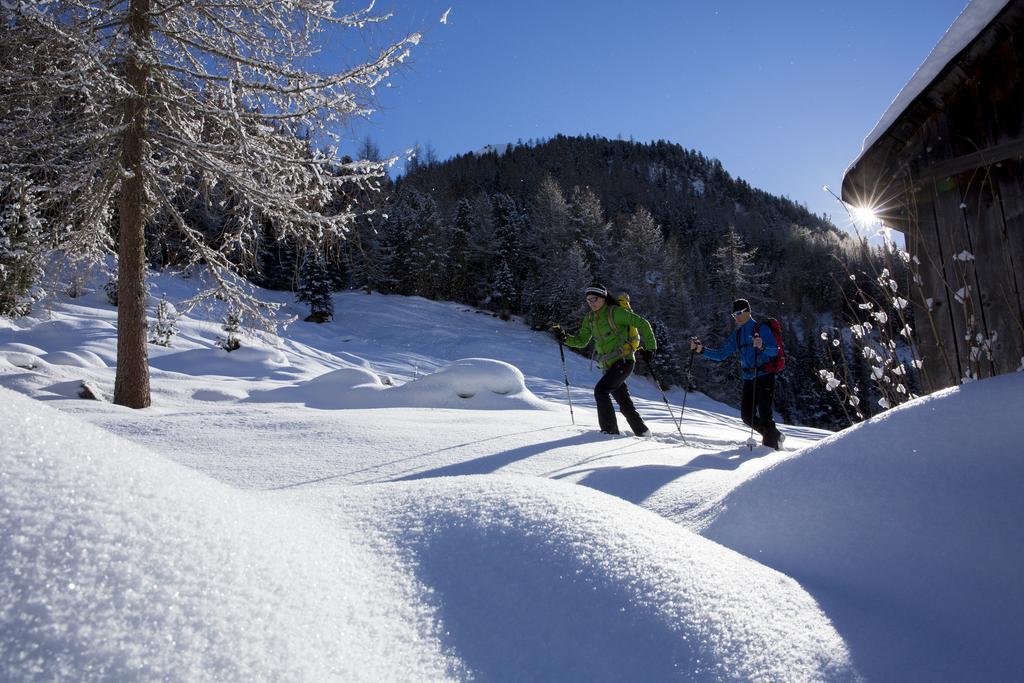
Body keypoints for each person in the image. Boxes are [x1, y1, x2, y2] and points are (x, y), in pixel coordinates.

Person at [553, 284, 657, 436]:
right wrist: (564, 338)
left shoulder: (615, 313)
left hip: (624, 361)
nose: (591, 303)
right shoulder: (590, 318)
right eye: (588, 300)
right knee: (624, 403)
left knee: (601, 391)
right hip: (608, 366)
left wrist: (651, 348)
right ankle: (643, 432)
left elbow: (643, 323)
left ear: (603, 298)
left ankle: (609, 432)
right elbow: (581, 341)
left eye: (594, 299)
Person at [689, 298, 785, 450]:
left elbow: (775, 351)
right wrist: (701, 350)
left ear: (748, 311)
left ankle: (772, 449)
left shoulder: (762, 329)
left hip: (765, 375)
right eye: (734, 315)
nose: (737, 317)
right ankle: (774, 435)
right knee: (747, 416)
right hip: (749, 378)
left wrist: (762, 346)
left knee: (765, 415)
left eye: (739, 313)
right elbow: (721, 354)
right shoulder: (738, 335)